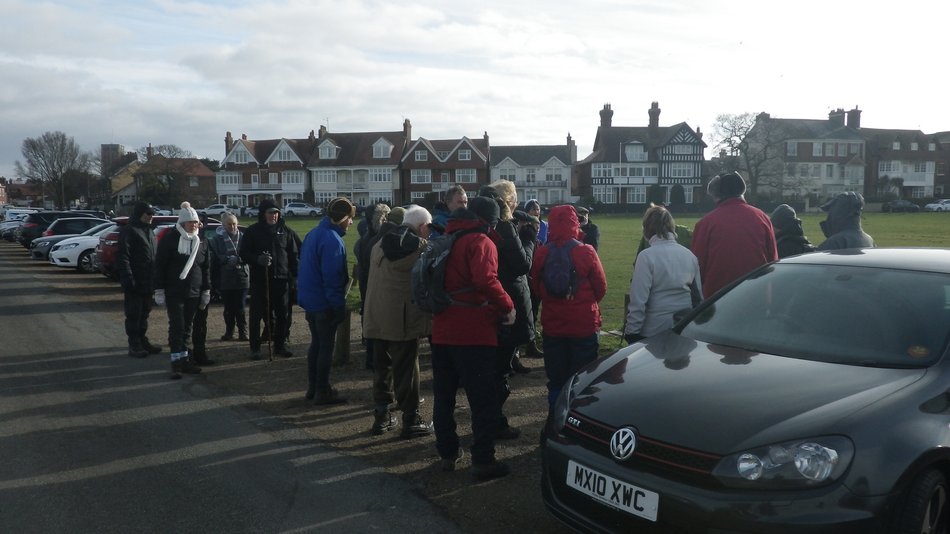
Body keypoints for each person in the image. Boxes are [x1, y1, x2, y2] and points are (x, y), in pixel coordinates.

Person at [430, 196, 515, 481]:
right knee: (483, 399)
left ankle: (447, 452)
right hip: (473, 331)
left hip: (442, 327)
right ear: (489, 221)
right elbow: (485, 280)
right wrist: (507, 306)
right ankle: (483, 459)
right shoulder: (480, 241)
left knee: (444, 396)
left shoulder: (446, 238)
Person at [363, 205, 434, 438]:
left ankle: (382, 415)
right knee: (407, 370)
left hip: (376, 315)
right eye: (428, 229)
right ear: (422, 227)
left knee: (382, 369)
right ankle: (411, 418)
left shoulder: (379, 244)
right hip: (401, 317)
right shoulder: (418, 249)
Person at [530, 205, 607, 412]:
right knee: (582, 376)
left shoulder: (542, 253)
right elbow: (601, 287)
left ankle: (555, 417)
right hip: (583, 324)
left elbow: (536, 287)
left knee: (557, 378)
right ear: (575, 222)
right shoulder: (586, 250)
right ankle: (578, 418)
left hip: (554, 324)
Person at [479, 181, 536, 439]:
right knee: (499, 370)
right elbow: (522, 265)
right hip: (507, 302)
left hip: (486, 303)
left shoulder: (483, 227)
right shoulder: (506, 227)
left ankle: (488, 419)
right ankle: (493, 422)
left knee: (490, 366)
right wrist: (529, 239)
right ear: (509, 202)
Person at [298, 197, 356, 405]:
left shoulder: (313, 234)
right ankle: (322, 391)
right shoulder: (332, 239)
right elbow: (332, 278)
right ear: (342, 218)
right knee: (325, 347)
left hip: (311, 301)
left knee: (316, 345)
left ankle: (313, 388)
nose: (351, 223)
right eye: (349, 218)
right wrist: (338, 305)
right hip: (324, 303)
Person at [624, 204, 702, 344]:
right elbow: (698, 297)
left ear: (647, 228)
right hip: (683, 328)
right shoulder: (690, 255)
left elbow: (638, 300)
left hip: (653, 331)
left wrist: (632, 331)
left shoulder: (646, 256)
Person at [691, 172, 777, 298]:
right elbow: (773, 260)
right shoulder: (762, 218)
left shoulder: (706, 223)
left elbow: (697, 266)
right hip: (757, 293)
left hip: (718, 298)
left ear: (718, 195)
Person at [153, 202, 211, 378]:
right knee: (177, 327)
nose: (194, 225)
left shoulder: (201, 242)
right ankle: (176, 362)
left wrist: (206, 290)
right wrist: (159, 289)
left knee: (187, 327)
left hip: (194, 291)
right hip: (175, 291)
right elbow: (160, 266)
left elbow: (206, 268)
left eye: (196, 222)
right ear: (182, 223)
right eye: (190, 222)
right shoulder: (170, 240)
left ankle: (185, 360)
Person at [240, 198, 299, 359]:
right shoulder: (253, 231)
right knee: (257, 315)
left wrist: (295, 277)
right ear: (263, 214)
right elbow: (243, 253)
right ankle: (255, 347)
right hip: (261, 280)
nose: (273, 216)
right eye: (270, 213)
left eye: (276, 212)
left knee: (283, 314)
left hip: (282, 279)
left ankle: (280, 344)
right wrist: (257, 259)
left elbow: (294, 255)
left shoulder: (287, 232)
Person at [117, 201, 161, 358]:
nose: (151, 217)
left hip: (148, 281)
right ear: (139, 213)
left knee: (145, 313)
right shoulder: (129, 230)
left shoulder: (150, 231)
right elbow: (123, 257)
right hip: (135, 281)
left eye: (152, 214)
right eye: (148, 214)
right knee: (134, 313)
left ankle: (142, 340)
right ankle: (134, 344)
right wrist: (128, 278)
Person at [353, 203, 391, 370]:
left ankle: (371, 357)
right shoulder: (377, 240)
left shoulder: (364, 239)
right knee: (378, 322)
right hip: (374, 284)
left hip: (366, 283)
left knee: (369, 319)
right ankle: (374, 360)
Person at [209, 212, 249, 342]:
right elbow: (214, 256)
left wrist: (239, 258)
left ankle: (243, 332)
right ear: (223, 225)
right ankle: (229, 331)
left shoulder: (243, 238)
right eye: (229, 224)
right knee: (228, 307)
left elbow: (248, 254)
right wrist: (226, 259)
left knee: (240, 306)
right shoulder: (216, 239)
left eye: (234, 224)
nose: (232, 227)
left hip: (242, 276)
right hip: (225, 278)